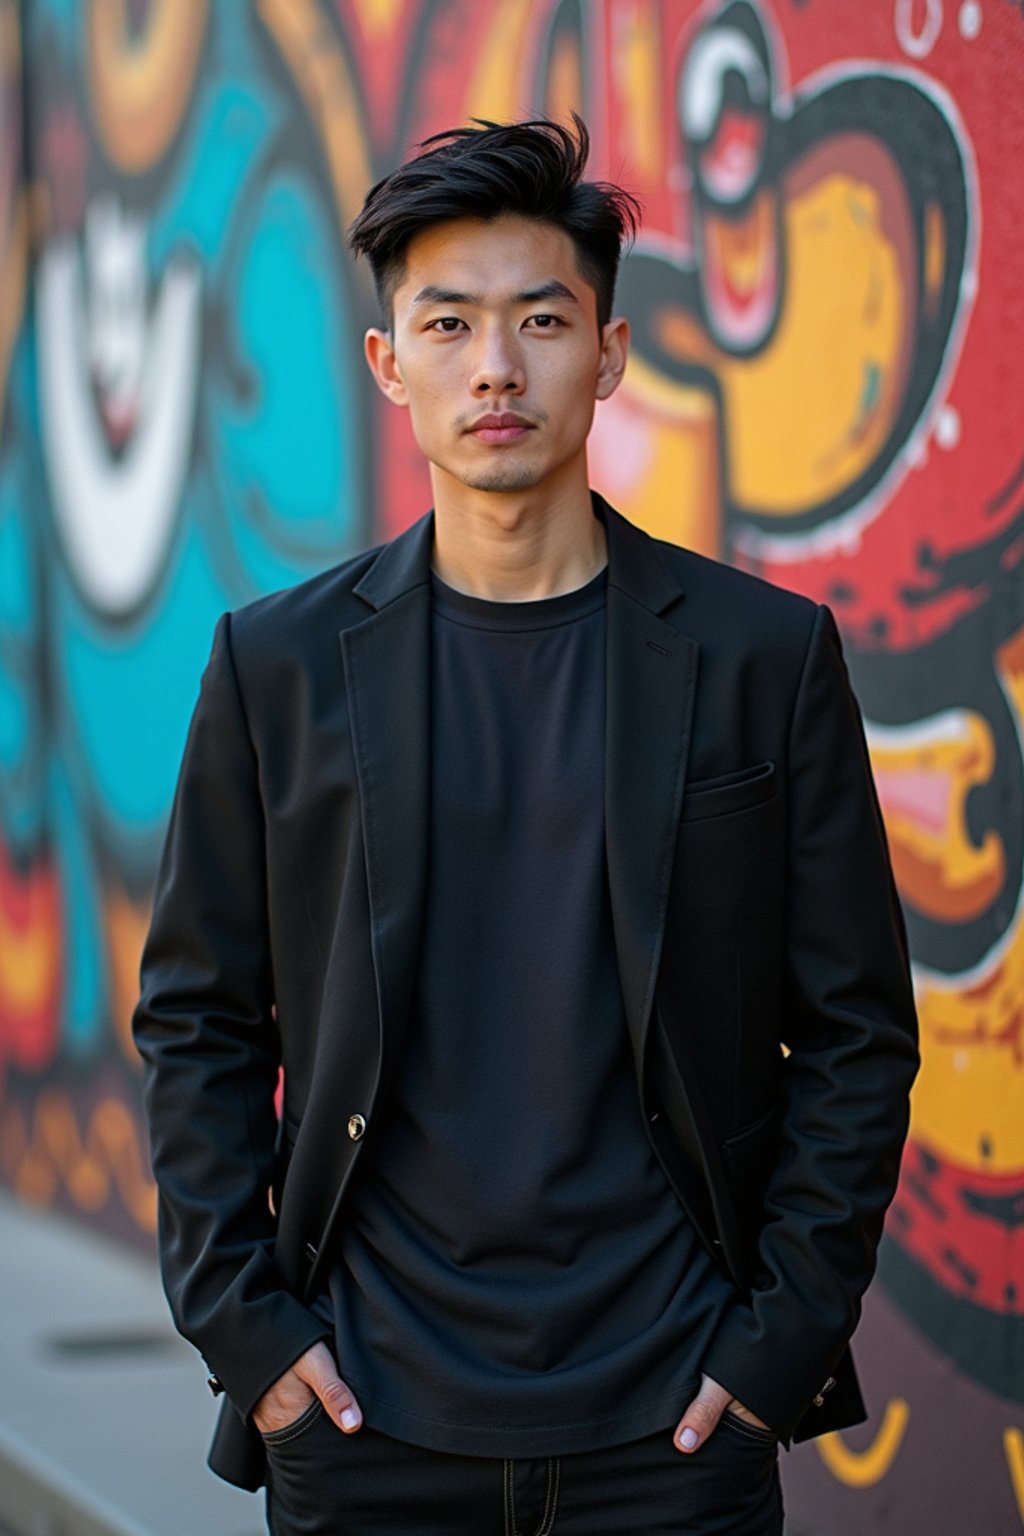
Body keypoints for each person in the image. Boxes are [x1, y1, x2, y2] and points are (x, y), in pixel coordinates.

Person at [133, 116, 919, 1536]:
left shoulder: (762, 658)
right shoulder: (278, 667)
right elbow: (195, 1020)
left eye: (543, 319)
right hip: (366, 1418)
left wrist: (773, 1347)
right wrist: (254, 1341)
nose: (498, 366)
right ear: (390, 365)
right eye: (450, 324)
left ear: (609, 351)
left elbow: (858, 1032)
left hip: (672, 1427)